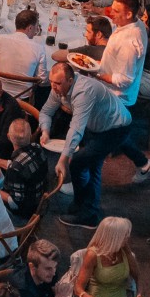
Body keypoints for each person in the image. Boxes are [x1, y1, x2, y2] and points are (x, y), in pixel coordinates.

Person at [43, 61, 133, 228]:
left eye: (58, 83)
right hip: (98, 127)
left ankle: (88, 214)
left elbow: (76, 127)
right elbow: (46, 111)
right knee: (90, 166)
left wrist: (63, 159)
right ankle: (82, 206)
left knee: (78, 163)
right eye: (51, 82)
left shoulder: (83, 91)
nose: (53, 87)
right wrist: (45, 131)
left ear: (70, 81)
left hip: (115, 129)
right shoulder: (59, 88)